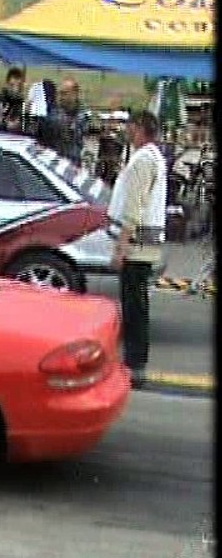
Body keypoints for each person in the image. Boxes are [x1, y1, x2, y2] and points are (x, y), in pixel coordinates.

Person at [106, 110, 167, 388]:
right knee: (137, 304)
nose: (126, 130)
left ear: (140, 128)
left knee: (134, 307)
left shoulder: (143, 160)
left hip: (137, 244)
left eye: (129, 125)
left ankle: (134, 365)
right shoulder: (155, 157)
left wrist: (122, 246)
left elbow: (134, 207)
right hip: (147, 242)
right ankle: (135, 362)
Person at [49, 77, 89, 164]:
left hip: (73, 163)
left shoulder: (84, 115)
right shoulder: (54, 112)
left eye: (64, 93)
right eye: (60, 93)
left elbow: (82, 138)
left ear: (75, 94)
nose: (60, 97)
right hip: (54, 161)